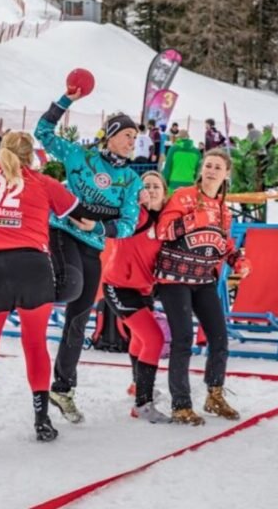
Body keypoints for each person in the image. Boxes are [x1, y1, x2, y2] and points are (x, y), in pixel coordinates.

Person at [0, 125, 120, 457]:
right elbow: (81, 216)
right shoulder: (45, 184)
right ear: (33, 156)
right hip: (33, 269)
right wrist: (115, 212)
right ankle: (42, 421)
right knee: (35, 347)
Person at [36, 90, 141, 424]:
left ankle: (62, 388)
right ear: (110, 136)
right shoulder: (78, 156)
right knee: (71, 285)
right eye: (127, 135)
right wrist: (66, 99)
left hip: (92, 245)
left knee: (79, 319)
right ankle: (24, 290)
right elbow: (43, 133)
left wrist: (99, 227)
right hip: (62, 233)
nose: (132, 142)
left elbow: (127, 224)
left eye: (135, 137)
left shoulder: (132, 179)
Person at [156, 148, 249, 424]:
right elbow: (163, 230)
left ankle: (215, 395)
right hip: (174, 278)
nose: (210, 171)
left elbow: (224, 244)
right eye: (208, 166)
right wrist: (192, 220)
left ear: (226, 174)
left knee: (219, 337)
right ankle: (181, 405)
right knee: (183, 338)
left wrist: (237, 259)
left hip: (204, 279)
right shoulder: (184, 196)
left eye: (217, 168)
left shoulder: (223, 209)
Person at [102, 170, 169, 422]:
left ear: (164, 193)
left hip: (143, 288)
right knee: (154, 339)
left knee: (141, 340)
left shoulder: (163, 221)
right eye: (147, 186)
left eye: (156, 187)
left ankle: (136, 385)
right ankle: (142, 403)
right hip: (118, 286)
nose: (151, 190)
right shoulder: (135, 214)